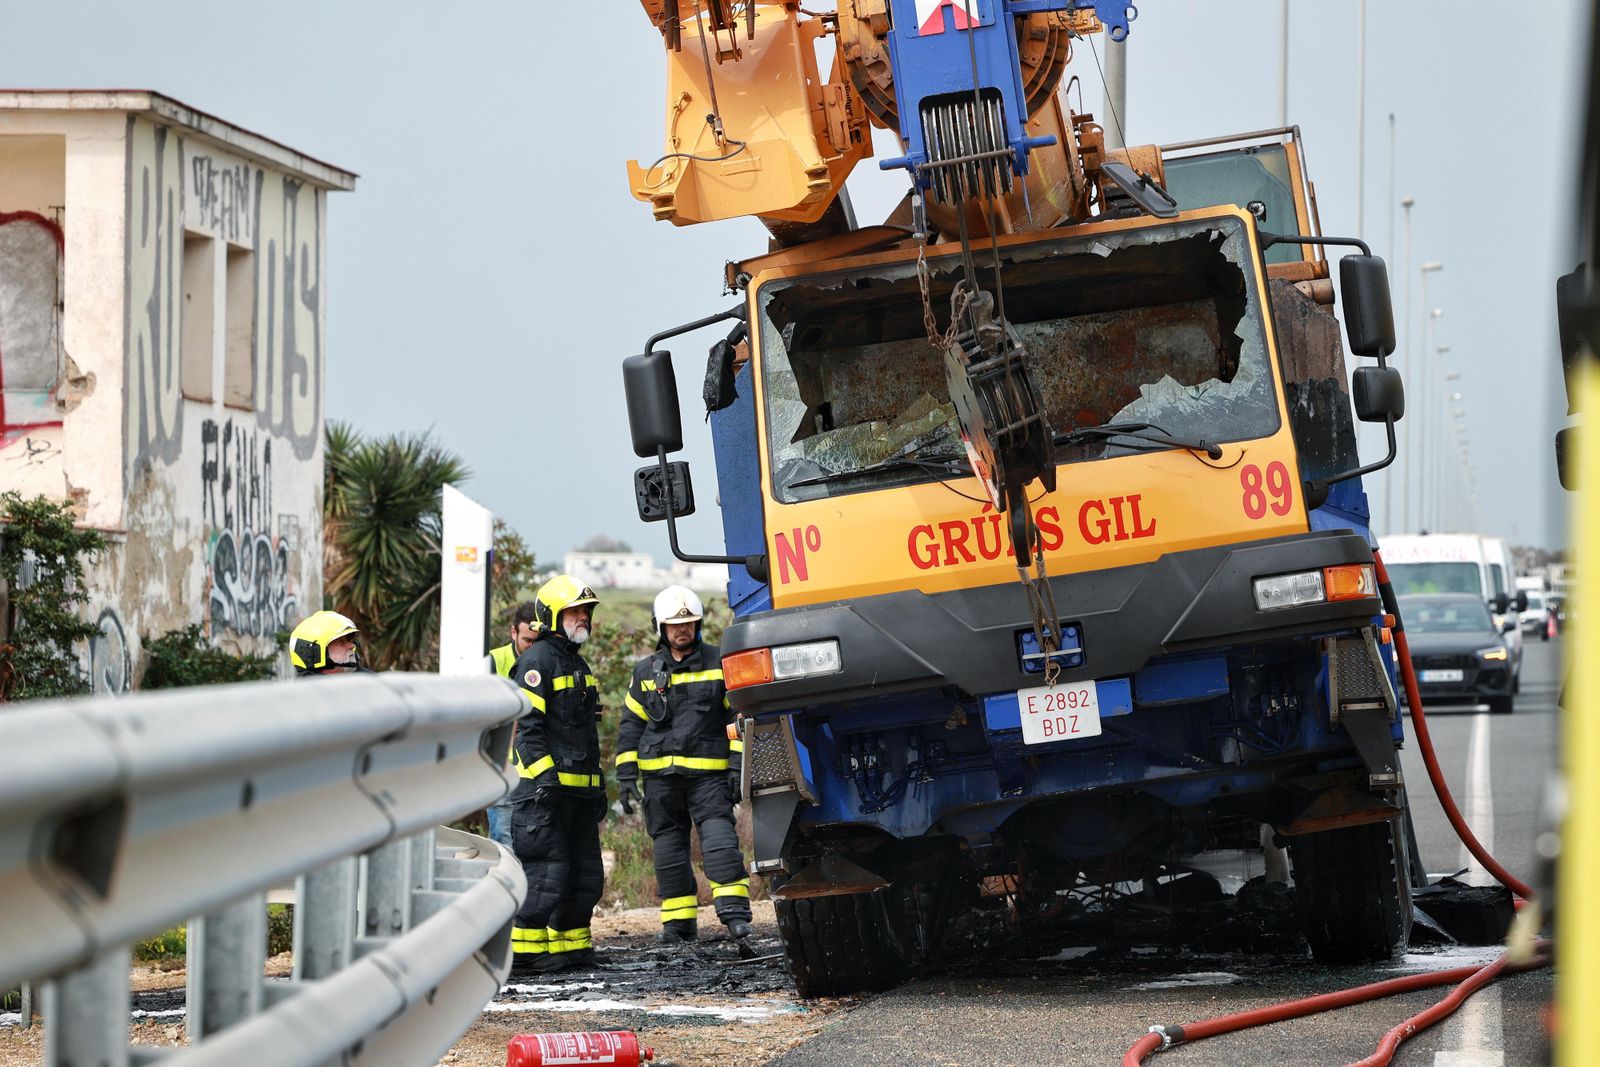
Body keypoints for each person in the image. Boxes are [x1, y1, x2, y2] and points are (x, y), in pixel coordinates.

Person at [615, 585, 752, 944]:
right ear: (660, 627)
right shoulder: (645, 671)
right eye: (675, 625)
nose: (682, 630)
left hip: (709, 777)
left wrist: (737, 764)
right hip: (660, 779)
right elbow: (631, 724)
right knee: (668, 852)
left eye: (689, 623)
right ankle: (678, 925)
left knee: (720, 843)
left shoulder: (719, 662)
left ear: (698, 625)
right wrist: (626, 775)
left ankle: (736, 917)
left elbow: (739, 717)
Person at [508, 575, 606, 975]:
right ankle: (526, 954)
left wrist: (597, 784)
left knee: (585, 876)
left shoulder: (577, 662)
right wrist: (545, 778)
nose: (582, 617)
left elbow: (585, 733)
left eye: (585, 611)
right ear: (551, 616)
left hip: (578, 794)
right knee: (545, 874)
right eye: (574, 611)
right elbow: (526, 730)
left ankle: (573, 948)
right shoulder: (536, 662)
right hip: (544, 794)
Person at [486, 602, 541, 849]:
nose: (533, 648)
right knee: (503, 840)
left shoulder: (547, 661)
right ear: (513, 632)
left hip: (536, 767)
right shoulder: (494, 661)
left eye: (538, 642)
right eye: (527, 640)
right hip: (502, 765)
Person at [288, 610, 368, 676]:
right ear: (313, 652)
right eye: (341, 641)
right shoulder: (306, 690)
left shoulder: (361, 681)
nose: (352, 645)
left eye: (349, 640)